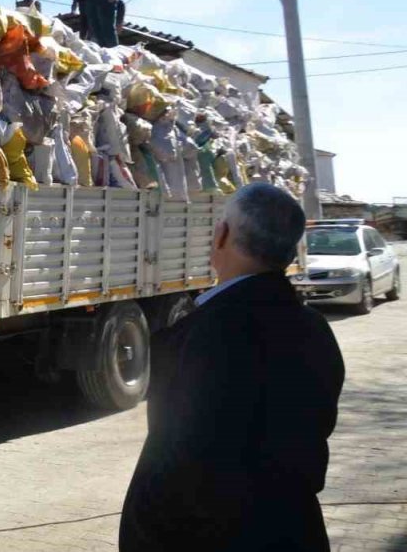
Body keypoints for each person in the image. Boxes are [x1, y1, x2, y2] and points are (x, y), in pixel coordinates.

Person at [120, 183, 345, 552]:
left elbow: (178, 469)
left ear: (221, 235)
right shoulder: (313, 328)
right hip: (295, 532)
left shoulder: (205, 335)